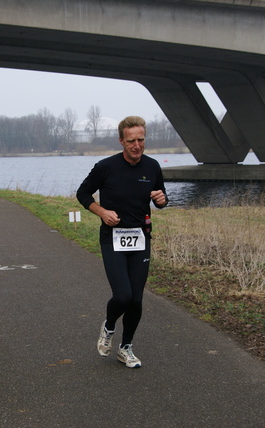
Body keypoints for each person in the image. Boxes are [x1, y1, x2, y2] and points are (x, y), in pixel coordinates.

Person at [76, 115, 168, 368]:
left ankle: (126, 348)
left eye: (141, 140)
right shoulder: (106, 167)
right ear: (121, 141)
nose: (137, 145)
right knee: (123, 295)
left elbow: (161, 198)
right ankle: (108, 326)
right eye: (131, 141)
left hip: (140, 238)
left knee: (136, 299)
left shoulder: (152, 167)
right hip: (112, 239)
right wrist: (102, 212)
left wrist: (161, 201)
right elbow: (82, 193)